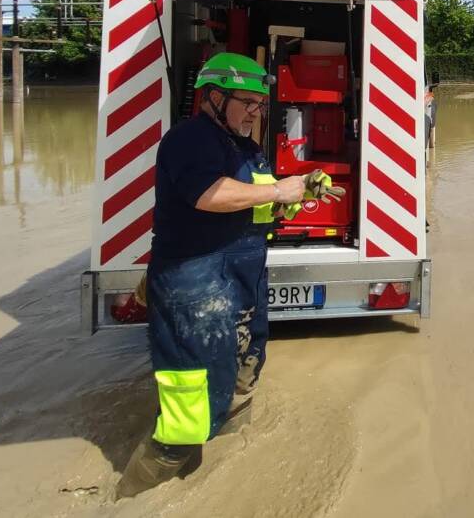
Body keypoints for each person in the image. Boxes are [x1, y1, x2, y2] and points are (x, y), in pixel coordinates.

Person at [117, 52, 343, 498]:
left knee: (242, 375)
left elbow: (255, 206)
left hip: (237, 284)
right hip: (195, 287)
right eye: (248, 103)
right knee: (189, 411)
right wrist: (278, 188)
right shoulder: (190, 140)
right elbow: (208, 194)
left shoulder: (245, 149)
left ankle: (228, 472)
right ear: (213, 97)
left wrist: (297, 190)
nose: (257, 113)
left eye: (261, 105)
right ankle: (134, 496)